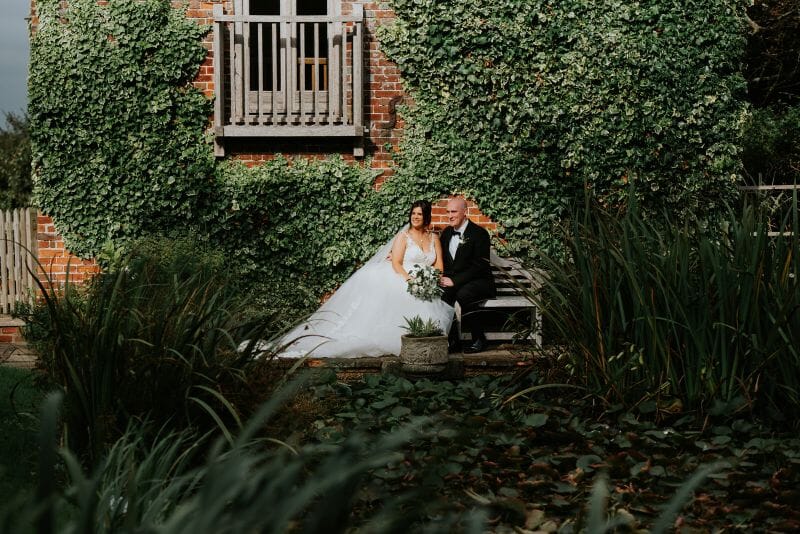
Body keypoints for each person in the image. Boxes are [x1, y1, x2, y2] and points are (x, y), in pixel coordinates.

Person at [276, 200, 454, 358]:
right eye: (413, 213)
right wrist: (410, 280)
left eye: (420, 214)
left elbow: (438, 265)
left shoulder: (433, 238)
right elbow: (397, 263)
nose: (415, 217)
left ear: (426, 216)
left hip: (426, 281)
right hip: (405, 276)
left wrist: (431, 280)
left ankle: (424, 347)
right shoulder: (403, 237)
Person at [439, 197, 496, 354]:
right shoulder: (446, 234)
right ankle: (453, 340)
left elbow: (480, 266)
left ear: (465, 212)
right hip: (456, 282)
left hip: (479, 281)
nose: (450, 215)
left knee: (464, 294)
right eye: (448, 212)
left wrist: (455, 281)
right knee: (442, 294)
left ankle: (479, 339)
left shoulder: (479, 234)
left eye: (454, 211)